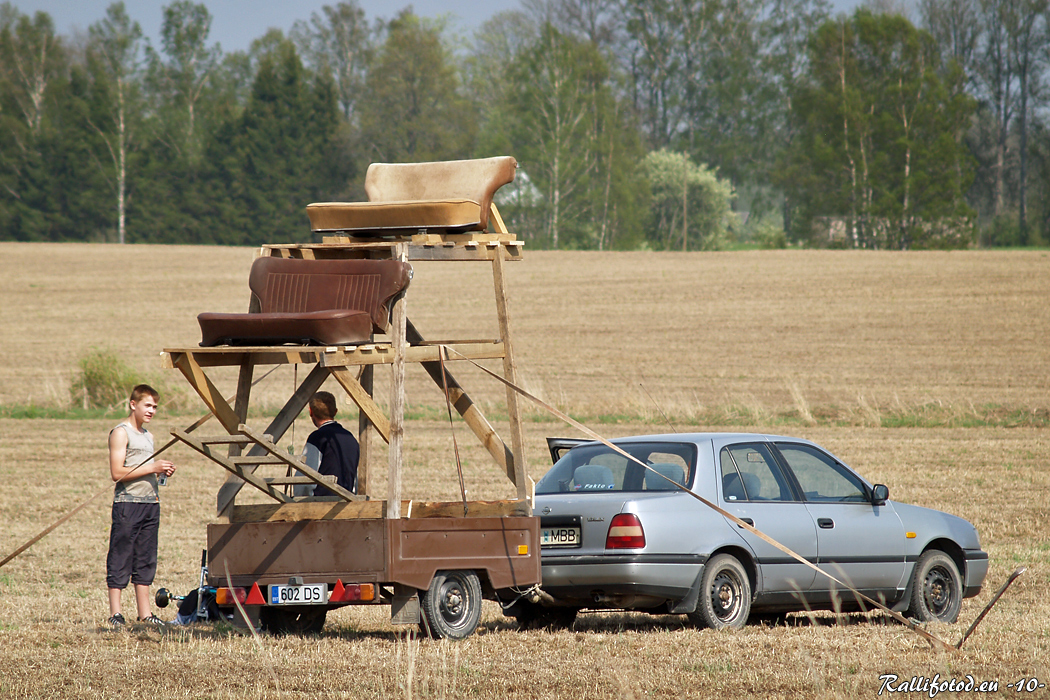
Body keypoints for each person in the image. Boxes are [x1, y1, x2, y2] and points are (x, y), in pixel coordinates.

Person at [106, 384, 176, 628]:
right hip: (128, 503)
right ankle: (115, 614)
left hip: (150, 503)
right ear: (133, 404)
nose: (151, 411)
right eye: (147, 405)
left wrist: (161, 472)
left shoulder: (148, 436)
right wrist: (153, 467)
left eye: (155, 407)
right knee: (121, 555)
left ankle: (145, 614)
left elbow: (144, 470)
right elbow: (117, 472)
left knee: (146, 558)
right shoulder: (121, 432)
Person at [301, 391, 359, 497]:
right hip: (346, 501)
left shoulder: (317, 438)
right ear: (335, 411)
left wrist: (300, 499)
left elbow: (306, 476)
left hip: (320, 503)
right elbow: (354, 479)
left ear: (310, 411)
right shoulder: (351, 439)